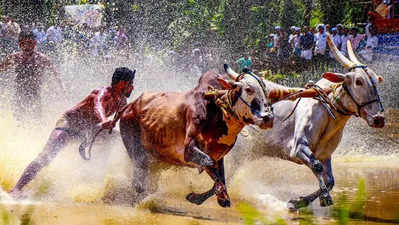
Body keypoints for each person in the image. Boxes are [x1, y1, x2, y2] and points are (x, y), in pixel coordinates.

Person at [9, 67, 136, 198]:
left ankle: (93, 173)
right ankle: (17, 189)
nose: (132, 88)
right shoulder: (103, 92)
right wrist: (104, 120)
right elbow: (98, 105)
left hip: (87, 129)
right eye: (131, 83)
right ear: (122, 83)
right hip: (69, 125)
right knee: (46, 157)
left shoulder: (121, 100)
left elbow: (125, 117)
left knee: (117, 139)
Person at [0, 30, 64, 122]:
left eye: (30, 43)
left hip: (35, 95)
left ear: (35, 43)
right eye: (23, 43)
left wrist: (61, 91)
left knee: (36, 120)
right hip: (19, 95)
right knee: (19, 121)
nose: (27, 46)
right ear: (19, 44)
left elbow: (56, 77)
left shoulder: (42, 59)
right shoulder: (15, 57)